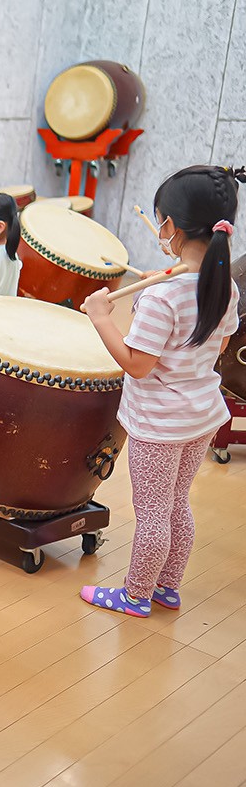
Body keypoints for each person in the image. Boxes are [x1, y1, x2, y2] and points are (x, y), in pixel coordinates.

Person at [79, 165, 243, 617]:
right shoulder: (222, 285)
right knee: (177, 506)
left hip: (159, 425)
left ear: (167, 226)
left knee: (152, 513)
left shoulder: (160, 298)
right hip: (201, 416)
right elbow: (221, 344)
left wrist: (101, 317)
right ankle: (167, 587)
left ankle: (135, 595)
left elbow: (137, 364)